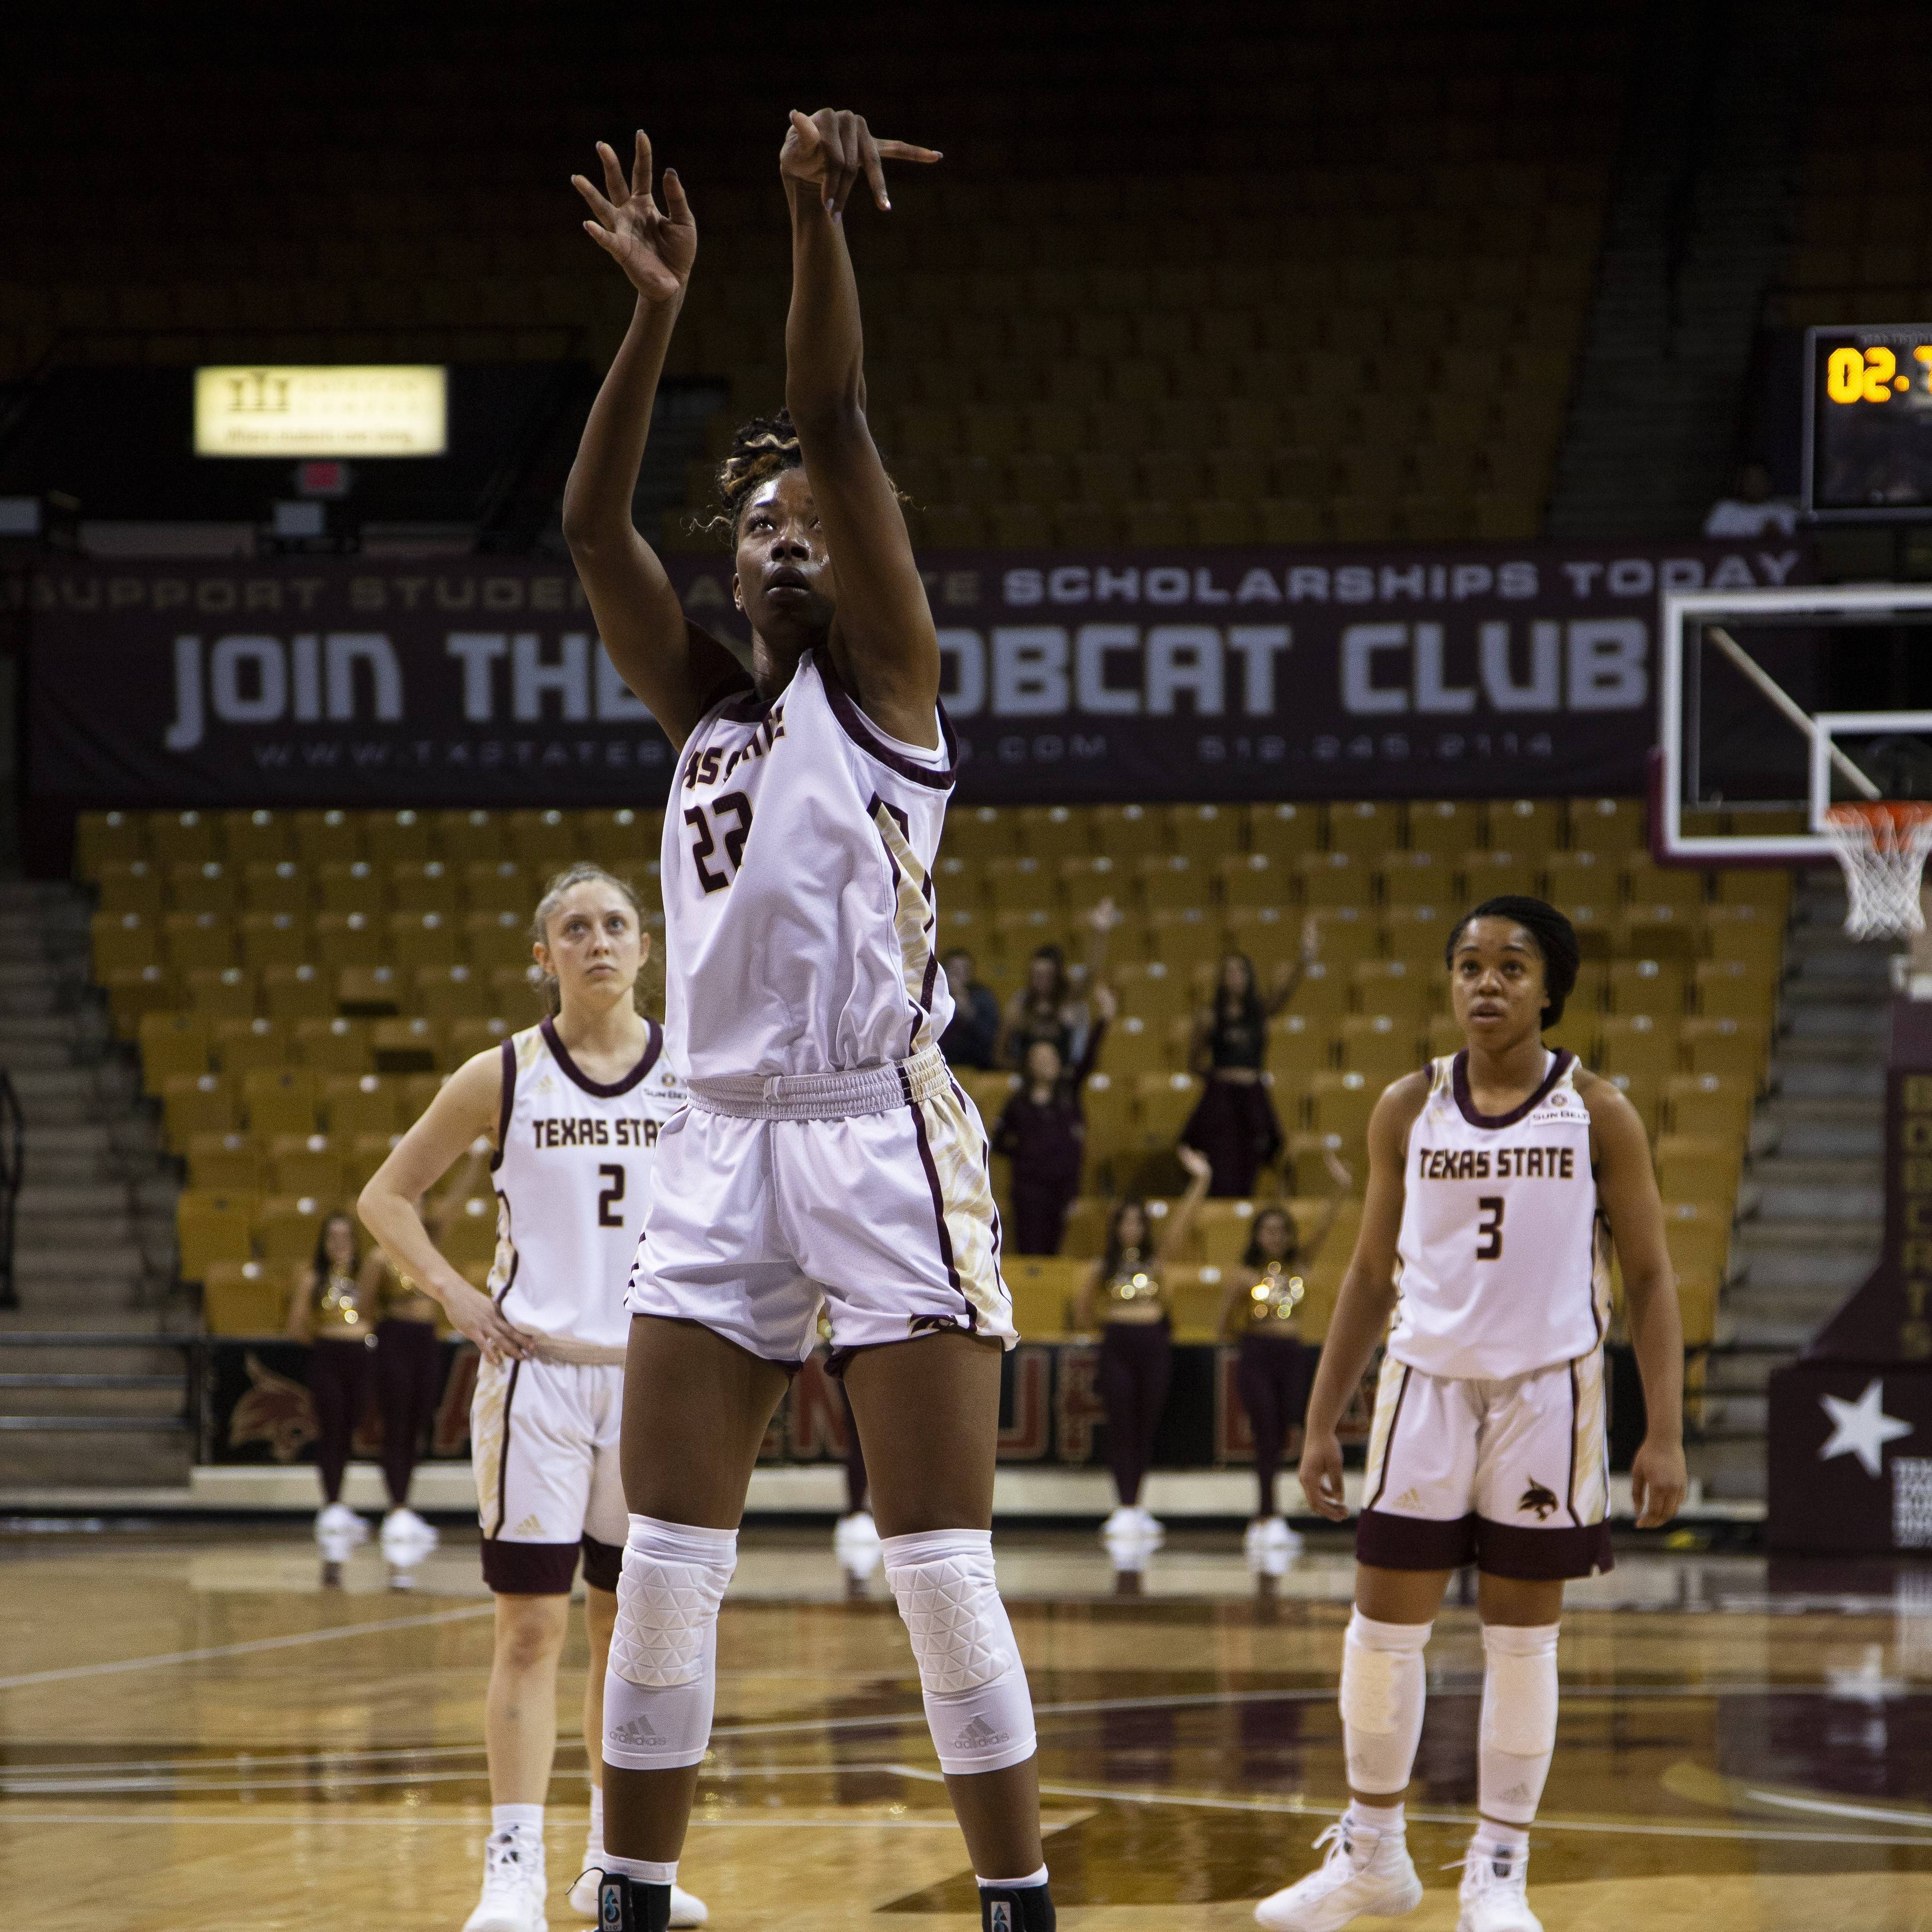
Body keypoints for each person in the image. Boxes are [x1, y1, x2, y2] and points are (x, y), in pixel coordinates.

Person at [560, 112, 1057, 1932]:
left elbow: (837, 425)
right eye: (755, 526)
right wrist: (652, 312)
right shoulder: (703, 714)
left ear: (859, 561)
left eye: (808, 530)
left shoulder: (892, 696)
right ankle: (631, 1893)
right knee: (670, 1564)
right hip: (712, 1137)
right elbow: (591, 523)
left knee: (930, 1560)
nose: (780, 541)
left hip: (870, 1126)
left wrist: (802, 223)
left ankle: (1017, 1904)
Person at [1255, 896, 1685, 1932]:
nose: (1486, 984)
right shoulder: (1409, 1106)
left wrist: (1662, 1430)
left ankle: (1497, 1873)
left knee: (1520, 1644)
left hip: (1550, 1391)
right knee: (1380, 1633)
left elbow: (1655, 1277)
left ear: (1551, 989)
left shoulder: (1599, 1110)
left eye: (1511, 967)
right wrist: (1321, 1421)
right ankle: (1372, 1856)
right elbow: (1365, 1272)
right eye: (1468, 966)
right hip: (1424, 1389)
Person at [358, 865, 700, 1932]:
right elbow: (386, 1196)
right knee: (529, 1630)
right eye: (574, 928)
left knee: (627, 1633)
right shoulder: (502, 1073)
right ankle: (510, 1869)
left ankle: (613, 1860)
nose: (598, 941)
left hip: (650, 1384)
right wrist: (456, 1295)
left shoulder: (693, 1073)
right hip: (539, 1380)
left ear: (647, 948)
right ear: (541, 957)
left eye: (616, 925)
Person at [1217, 1147, 1352, 1560]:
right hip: (1257, 1353)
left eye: (1280, 1230)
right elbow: (1223, 1323)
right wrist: (1247, 1336)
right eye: (1267, 1230)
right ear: (1256, 1235)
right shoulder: (1244, 1275)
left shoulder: (1299, 1265)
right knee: (1265, 1436)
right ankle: (1266, 1516)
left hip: (1290, 1354)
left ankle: (1275, 1515)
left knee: (1287, 1432)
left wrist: (1342, 1186)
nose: (1274, 1237)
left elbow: (1326, 1227)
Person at [1072, 1146, 1212, 1543]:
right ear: (1116, 1227)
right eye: (1125, 1222)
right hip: (1117, 1345)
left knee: (1146, 1425)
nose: (1132, 1228)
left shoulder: (1158, 1260)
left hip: (1153, 1345)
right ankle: (1124, 1506)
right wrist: (1112, 1328)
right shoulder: (1103, 1267)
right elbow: (1083, 1311)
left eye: (1138, 1221)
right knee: (1121, 1425)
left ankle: (1139, 1505)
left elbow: (1184, 1223)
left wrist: (1201, 1179)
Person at [367, 1144, 493, 1578]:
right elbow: (367, 1307)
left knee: (420, 1419)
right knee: (396, 1423)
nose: (416, 1208)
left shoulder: (431, 1242)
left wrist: (475, 1161)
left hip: (426, 1339)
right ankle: (396, 1506)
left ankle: (406, 1506)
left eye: (420, 1201)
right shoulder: (378, 1257)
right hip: (394, 1338)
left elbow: (455, 1203)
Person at [1183, 918, 1320, 1197]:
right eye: (1229, 971)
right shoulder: (1208, 1016)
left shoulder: (1258, 1013)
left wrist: (1304, 958)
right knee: (1217, 1159)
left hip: (1253, 1097)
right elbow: (1194, 1062)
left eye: (1241, 971)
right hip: (1221, 1100)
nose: (1235, 976)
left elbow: (1283, 994)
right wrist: (1220, 1079)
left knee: (1255, 1158)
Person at [286, 1211, 384, 1567]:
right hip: (328, 1356)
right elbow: (296, 1327)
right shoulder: (314, 1278)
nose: (340, 1244)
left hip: (360, 1357)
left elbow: (374, 1313)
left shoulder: (366, 1276)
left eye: (346, 1237)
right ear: (324, 1244)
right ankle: (331, 1504)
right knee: (330, 1429)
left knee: (350, 1428)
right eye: (333, 1238)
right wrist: (324, 1339)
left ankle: (340, 1506)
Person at [992, 981, 1115, 1255]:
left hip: (1063, 1187)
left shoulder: (1068, 1095)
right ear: (1030, 1065)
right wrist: (1026, 1153)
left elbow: (1089, 1060)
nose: (1049, 1063)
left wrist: (1104, 1019)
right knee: (1032, 1248)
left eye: (1053, 1058)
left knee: (1061, 1249)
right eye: (1041, 1059)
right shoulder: (1018, 1104)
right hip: (1030, 1190)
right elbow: (999, 1142)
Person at [939, 947, 1002, 1070]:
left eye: (965, 970)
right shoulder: (934, 998)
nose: (960, 975)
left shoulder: (984, 997)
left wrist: (967, 1009)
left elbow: (990, 1038)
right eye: (955, 971)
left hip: (977, 1065)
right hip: (942, 1064)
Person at [1702, 459, 1798, 537]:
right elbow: (1711, 538)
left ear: (1769, 483)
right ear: (1741, 482)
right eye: (1750, 479)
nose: (1754, 485)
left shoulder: (1785, 512)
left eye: (1759, 479)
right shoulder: (1725, 510)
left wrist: (1777, 534)